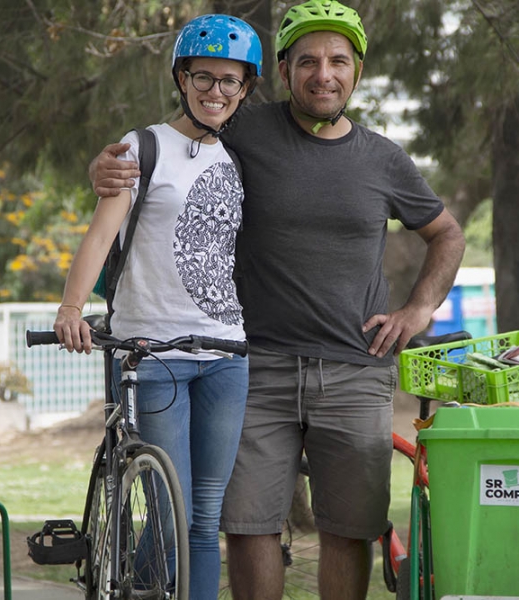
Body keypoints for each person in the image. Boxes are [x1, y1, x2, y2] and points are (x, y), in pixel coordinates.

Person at [87, 2, 466, 599]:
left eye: (339, 60)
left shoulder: (384, 158)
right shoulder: (245, 129)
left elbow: (446, 233)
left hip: (355, 368)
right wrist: (105, 167)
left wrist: (418, 311)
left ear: (357, 72)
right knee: (247, 525)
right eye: (308, 60)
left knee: (350, 529)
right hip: (253, 366)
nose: (324, 74)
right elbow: (167, 146)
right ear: (284, 71)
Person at [53, 14, 263, 600]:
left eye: (230, 81)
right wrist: (72, 307)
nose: (216, 91)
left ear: (245, 89)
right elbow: (99, 237)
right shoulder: (142, 147)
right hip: (152, 351)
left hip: (225, 352)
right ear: (181, 77)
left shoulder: (237, 160)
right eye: (204, 77)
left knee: (203, 517)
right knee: (168, 514)